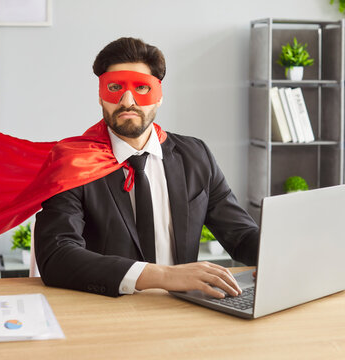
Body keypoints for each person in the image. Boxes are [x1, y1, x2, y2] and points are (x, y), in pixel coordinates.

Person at [34, 37, 259, 299]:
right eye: (115, 87)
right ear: (100, 96)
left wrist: (281, 258)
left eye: (141, 88)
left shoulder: (195, 156)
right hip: (107, 311)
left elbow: (240, 234)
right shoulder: (74, 163)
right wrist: (164, 276)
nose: (127, 100)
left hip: (184, 311)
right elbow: (56, 256)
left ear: (159, 96)